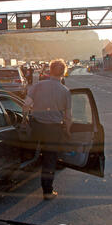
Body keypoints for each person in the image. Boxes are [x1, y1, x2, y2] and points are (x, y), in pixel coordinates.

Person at [22, 59, 72, 200]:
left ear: (49, 71)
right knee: (50, 160)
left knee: (30, 153)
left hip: (36, 126)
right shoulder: (65, 91)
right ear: (63, 72)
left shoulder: (38, 86)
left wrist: (24, 120)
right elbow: (68, 117)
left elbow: (26, 105)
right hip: (53, 130)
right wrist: (68, 131)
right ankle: (47, 192)